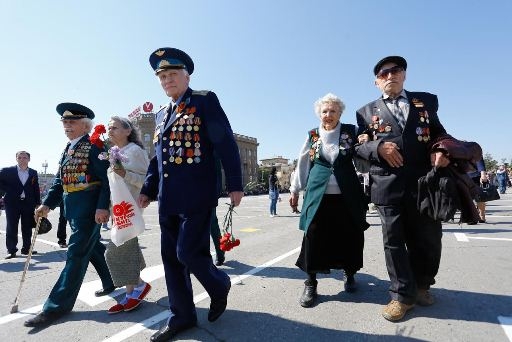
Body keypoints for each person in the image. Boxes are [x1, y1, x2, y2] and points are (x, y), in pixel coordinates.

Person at [138, 47, 244, 342]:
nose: (167, 80)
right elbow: (157, 158)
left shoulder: (203, 100)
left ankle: (219, 284)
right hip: (168, 197)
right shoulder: (161, 114)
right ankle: (182, 316)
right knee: (171, 258)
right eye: (162, 76)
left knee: (188, 253)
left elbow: (225, 143)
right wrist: (148, 188)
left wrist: (235, 183)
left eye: (172, 74)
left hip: (198, 193)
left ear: (186, 76)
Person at [354, 56, 451, 322]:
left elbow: (440, 133)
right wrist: (378, 148)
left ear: (404, 74)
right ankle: (401, 296)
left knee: (428, 238)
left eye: (394, 71)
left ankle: (422, 286)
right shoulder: (365, 112)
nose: (389, 76)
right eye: (383, 74)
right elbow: (358, 148)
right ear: (376, 82)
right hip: (387, 185)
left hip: (424, 183)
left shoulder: (425, 102)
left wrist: (442, 149)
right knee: (394, 242)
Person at [25, 103, 114, 327]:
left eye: (72, 122)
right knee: (91, 248)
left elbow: (107, 180)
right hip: (73, 209)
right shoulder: (68, 148)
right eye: (64, 122)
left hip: (90, 211)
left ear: (85, 126)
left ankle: (56, 307)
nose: (67, 125)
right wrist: (47, 205)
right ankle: (110, 280)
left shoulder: (94, 146)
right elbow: (59, 182)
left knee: (76, 255)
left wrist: (103, 207)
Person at [289, 93, 369, 308]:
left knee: (350, 235)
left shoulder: (351, 132)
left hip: (347, 194)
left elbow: (363, 156)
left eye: (333, 111)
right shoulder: (313, 135)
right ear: (319, 113)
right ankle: (311, 283)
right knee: (313, 236)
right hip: (318, 195)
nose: (328, 115)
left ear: (340, 113)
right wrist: (295, 189)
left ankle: (350, 274)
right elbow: (303, 163)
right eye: (325, 111)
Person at [104, 116, 152, 314]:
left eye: (115, 127)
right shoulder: (114, 152)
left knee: (115, 252)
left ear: (127, 131)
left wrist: (125, 174)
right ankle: (132, 292)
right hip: (118, 209)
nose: (110, 131)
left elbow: (147, 181)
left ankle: (137, 288)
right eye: (109, 128)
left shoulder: (136, 151)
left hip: (130, 208)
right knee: (127, 249)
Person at [0, 151, 41, 259]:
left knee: (27, 227)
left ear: (29, 159)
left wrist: (38, 203)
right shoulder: (7, 171)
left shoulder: (33, 172)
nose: (22, 159)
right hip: (12, 203)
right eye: (20, 157)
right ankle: (11, 250)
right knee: (11, 226)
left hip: (28, 203)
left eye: (25, 157)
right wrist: (6, 191)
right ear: (16, 159)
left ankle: (26, 249)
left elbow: (35, 188)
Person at [467, 158, 488, 224]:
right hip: (463, 176)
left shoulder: (474, 148)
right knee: (467, 197)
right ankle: (471, 217)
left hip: (475, 176)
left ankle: (482, 214)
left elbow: (480, 162)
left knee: (479, 197)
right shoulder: (457, 150)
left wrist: (483, 174)